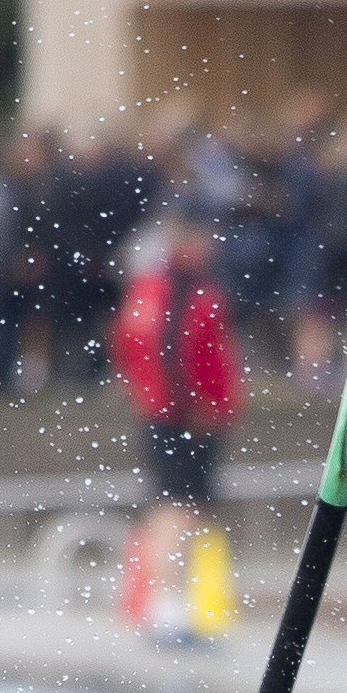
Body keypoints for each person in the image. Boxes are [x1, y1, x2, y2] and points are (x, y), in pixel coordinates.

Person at [111, 213, 240, 646]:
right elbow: (180, 348)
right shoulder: (186, 289)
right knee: (178, 509)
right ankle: (166, 608)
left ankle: (166, 605)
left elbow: (127, 345)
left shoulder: (148, 287)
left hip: (161, 411)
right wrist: (195, 405)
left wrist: (146, 394)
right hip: (182, 417)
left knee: (173, 508)